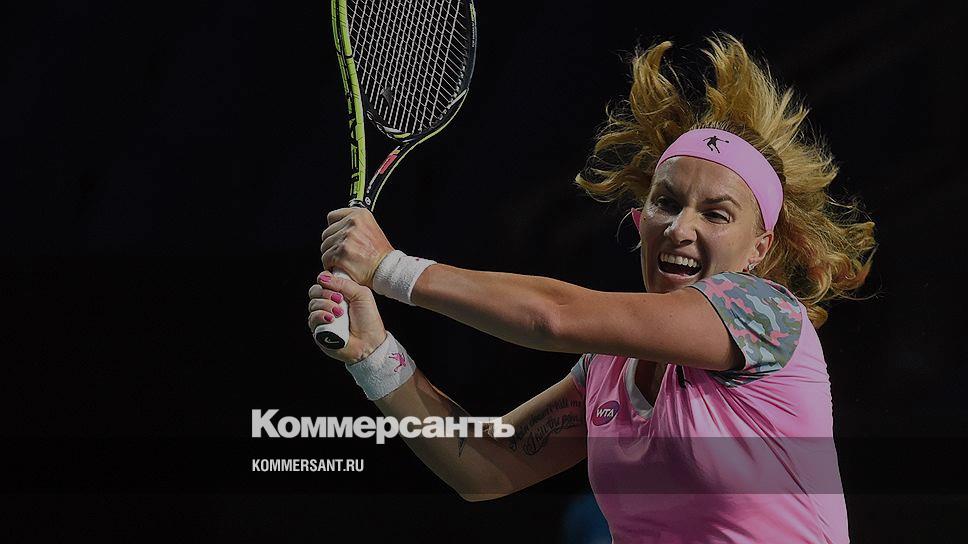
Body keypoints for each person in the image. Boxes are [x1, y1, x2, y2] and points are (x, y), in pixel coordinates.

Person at [307, 34, 876, 543]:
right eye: (667, 203)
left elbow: (553, 316)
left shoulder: (764, 315)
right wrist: (373, 354)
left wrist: (390, 267)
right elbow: (483, 466)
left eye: (716, 214)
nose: (681, 227)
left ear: (759, 249)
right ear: (641, 219)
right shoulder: (608, 370)